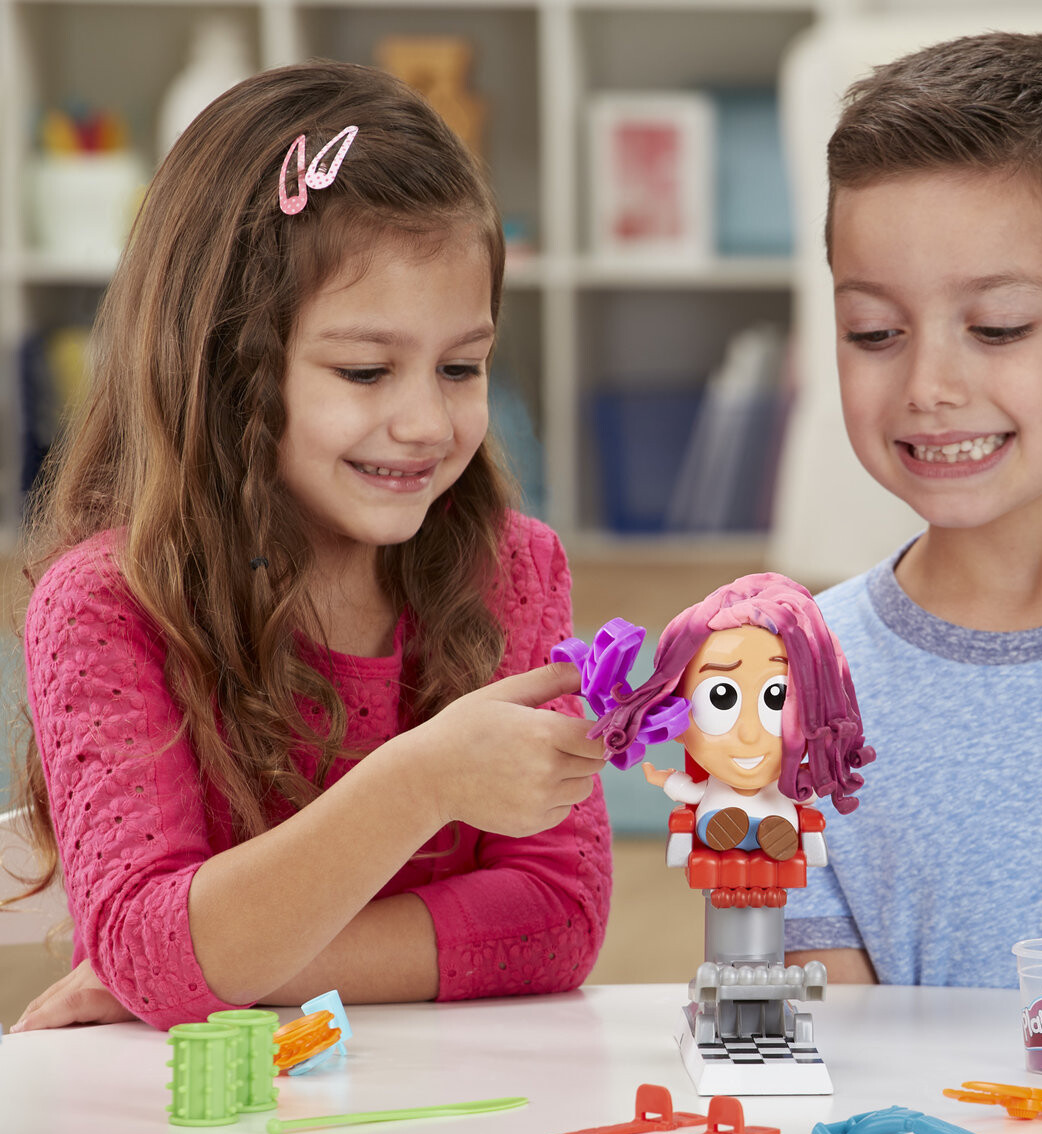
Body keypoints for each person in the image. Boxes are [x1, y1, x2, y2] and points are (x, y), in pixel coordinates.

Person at [7, 61, 611, 1033]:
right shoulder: (107, 606)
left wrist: (225, 970)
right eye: (366, 371)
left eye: (462, 367)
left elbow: (557, 918)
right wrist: (423, 782)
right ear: (228, 369)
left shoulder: (511, 569)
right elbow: (152, 949)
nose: (426, 423)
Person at [782, 31, 1042, 988]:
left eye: (998, 327)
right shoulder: (794, 682)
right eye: (874, 332)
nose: (929, 385)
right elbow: (824, 1042)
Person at [595, 573, 872, 863]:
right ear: (674, 715)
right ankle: (727, 828)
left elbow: (809, 795)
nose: (749, 735)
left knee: (778, 828)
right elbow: (690, 792)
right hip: (719, 821)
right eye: (720, 698)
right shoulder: (720, 785)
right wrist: (665, 779)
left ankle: (774, 833)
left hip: (780, 824)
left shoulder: (790, 784)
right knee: (718, 823)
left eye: (778, 698)